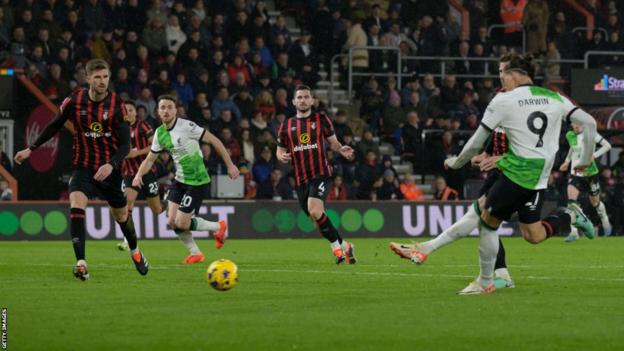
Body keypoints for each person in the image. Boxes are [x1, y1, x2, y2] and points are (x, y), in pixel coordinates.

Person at [397, 53, 598, 295]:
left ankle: (486, 279)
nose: (500, 77)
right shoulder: (554, 97)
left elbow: (473, 143)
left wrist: (457, 162)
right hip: (535, 175)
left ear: (514, 74)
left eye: (502, 72)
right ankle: (571, 216)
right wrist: (585, 160)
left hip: (520, 173)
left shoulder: (504, 100)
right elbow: (590, 124)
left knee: (487, 219)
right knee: (532, 235)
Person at [14, 59, 148, 281]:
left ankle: (135, 251)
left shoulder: (117, 105)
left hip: (110, 172)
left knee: (122, 217)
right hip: (83, 168)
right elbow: (55, 124)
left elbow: (126, 146)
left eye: (105, 76)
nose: (102, 81)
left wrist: (110, 164)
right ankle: (81, 263)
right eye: (97, 77)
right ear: (87, 79)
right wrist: (31, 148)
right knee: (76, 204)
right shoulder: (74, 100)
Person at [391, 128, 516, 289]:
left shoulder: (517, 116)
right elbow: (488, 149)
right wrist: (480, 157)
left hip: (519, 178)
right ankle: (498, 276)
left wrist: (458, 161)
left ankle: (492, 279)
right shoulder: (501, 118)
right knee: (482, 220)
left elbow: (530, 153)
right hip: (499, 177)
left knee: (532, 232)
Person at [132, 95, 240, 264]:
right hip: (180, 180)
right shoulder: (160, 133)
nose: (166, 110)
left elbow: (214, 140)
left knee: (182, 222)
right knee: (172, 221)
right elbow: (150, 159)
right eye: (163, 108)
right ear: (158, 112)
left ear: (175, 110)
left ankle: (219, 227)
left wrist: (230, 165)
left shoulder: (186, 126)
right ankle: (195, 253)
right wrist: (138, 175)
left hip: (197, 180)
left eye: (169, 107)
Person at [276, 85, 357, 264]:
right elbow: (279, 150)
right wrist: (282, 156)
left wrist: (341, 149)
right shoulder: (286, 125)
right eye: (300, 97)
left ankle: (336, 248)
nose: (303, 100)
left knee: (315, 210)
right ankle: (346, 246)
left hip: (320, 173)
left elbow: (334, 143)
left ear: (312, 100)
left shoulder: (321, 119)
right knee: (316, 218)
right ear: (294, 101)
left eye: (306, 97)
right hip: (300, 179)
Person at [117, 100, 164, 251]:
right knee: (127, 202)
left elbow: (155, 146)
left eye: (131, 110)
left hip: (146, 171)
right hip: (129, 173)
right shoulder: (119, 128)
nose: (129, 113)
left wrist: (136, 153)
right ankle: (127, 239)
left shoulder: (143, 126)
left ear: (136, 113)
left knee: (157, 210)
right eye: (126, 110)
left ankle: (173, 202)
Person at [560, 123, 612, 241]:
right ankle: (574, 233)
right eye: (574, 123)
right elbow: (572, 148)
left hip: (591, 173)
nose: (576, 126)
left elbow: (607, 145)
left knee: (595, 203)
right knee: (571, 203)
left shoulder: (591, 134)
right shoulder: (570, 135)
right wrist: (567, 161)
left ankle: (604, 218)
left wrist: (594, 155)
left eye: (578, 123)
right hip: (576, 173)